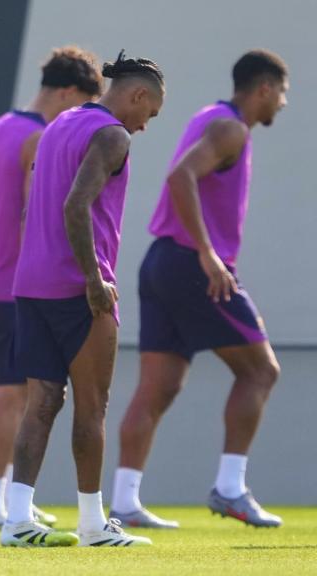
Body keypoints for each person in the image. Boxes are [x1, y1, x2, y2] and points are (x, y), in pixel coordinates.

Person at [111, 50, 289, 529]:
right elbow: (181, 175)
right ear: (265, 89)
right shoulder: (229, 127)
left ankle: (124, 501)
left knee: (159, 387)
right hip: (193, 264)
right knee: (261, 371)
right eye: (283, 93)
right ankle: (230, 489)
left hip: (162, 263)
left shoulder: (211, 117)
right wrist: (208, 254)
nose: (284, 104)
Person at [0, 51, 164, 547]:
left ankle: (16, 521)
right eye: (150, 113)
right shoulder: (111, 134)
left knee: (41, 403)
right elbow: (76, 205)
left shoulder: (61, 122)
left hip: (32, 284)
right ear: (137, 95)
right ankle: (93, 525)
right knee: (92, 408)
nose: (145, 126)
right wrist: (94, 278)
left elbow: (38, 203)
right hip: (79, 288)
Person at [0, 46, 102, 531]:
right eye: (81, 104)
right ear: (66, 93)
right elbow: (33, 216)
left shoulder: (2, 125)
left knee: (16, 393)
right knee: (16, 395)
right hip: (15, 281)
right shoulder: (39, 138)